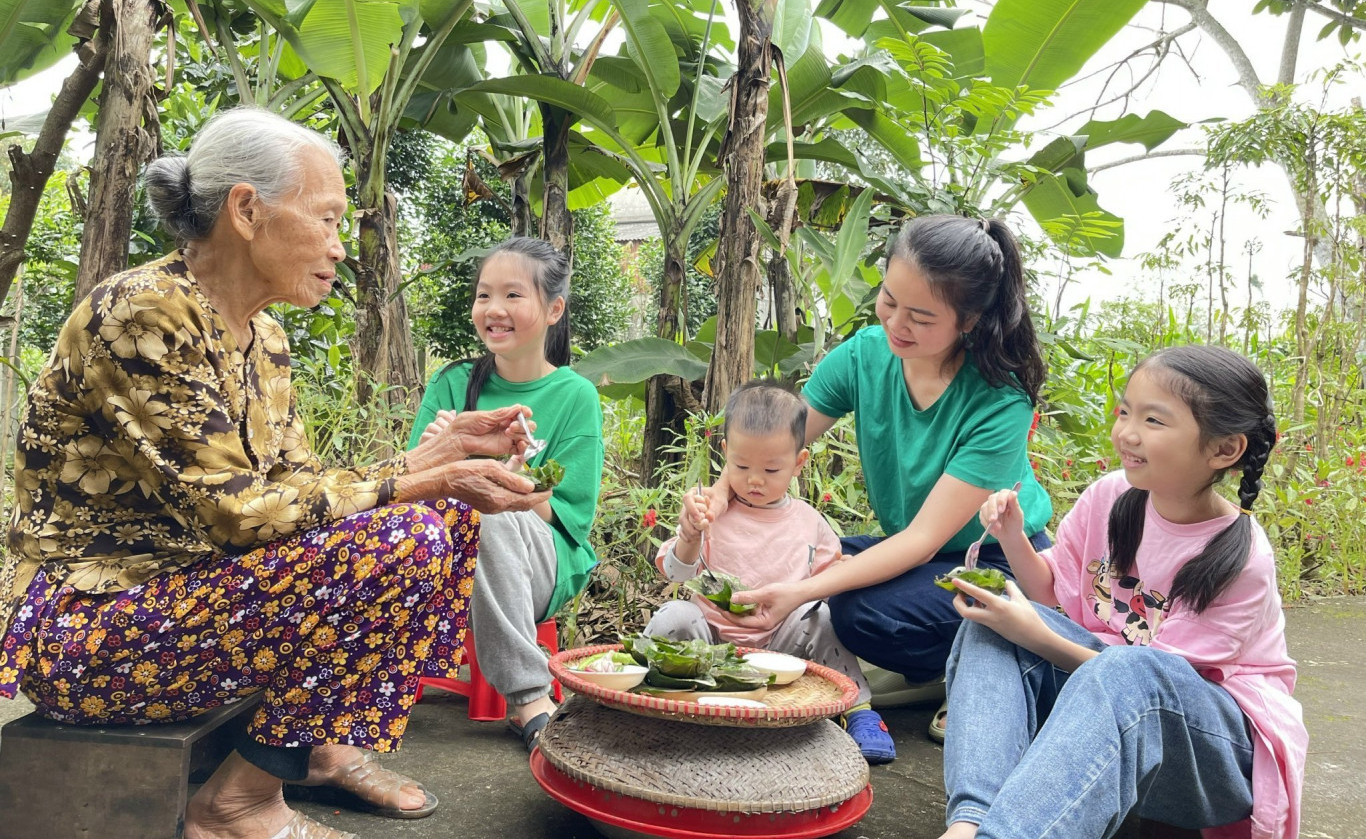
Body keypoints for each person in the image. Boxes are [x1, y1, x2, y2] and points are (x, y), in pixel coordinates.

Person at [0, 108, 549, 839]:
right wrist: (423, 478)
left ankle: (318, 747)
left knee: (441, 521)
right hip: (88, 635)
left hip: (186, 605)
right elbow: (239, 515)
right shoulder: (143, 316)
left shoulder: (264, 335)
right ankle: (238, 804)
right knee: (407, 533)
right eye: (325, 218)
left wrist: (435, 461)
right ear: (247, 210)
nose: (338, 246)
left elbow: (301, 489)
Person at [939, 345, 1306, 839]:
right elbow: (1050, 593)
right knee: (993, 618)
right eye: (1125, 411)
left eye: (1154, 420)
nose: (1126, 433)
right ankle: (971, 823)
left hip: (1210, 752)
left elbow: (1152, 689)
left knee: (1126, 666)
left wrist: (1037, 636)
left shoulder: (1242, 558)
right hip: (1109, 707)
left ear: (1224, 450)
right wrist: (1012, 536)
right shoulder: (1111, 497)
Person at [729, 215, 1051, 741]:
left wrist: (802, 591)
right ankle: (938, 661)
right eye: (889, 299)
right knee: (795, 553)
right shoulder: (864, 354)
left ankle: (993, 664)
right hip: (913, 548)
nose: (896, 323)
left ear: (968, 320)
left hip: (994, 559)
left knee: (859, 612)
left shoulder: (1000, 399)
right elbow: (776, 444)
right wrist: (722, 495)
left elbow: (925, 541)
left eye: (921, 317)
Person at [408, 237, 603, 754]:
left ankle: (528, 699)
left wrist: (513, 483)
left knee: (490, 515)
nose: (493, 310)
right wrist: (437, 456)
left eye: (513, 296)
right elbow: (405, 491)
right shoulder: (451, 384)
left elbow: (569, 518)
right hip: (446, 556)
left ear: (553, 308)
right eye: (483, 295)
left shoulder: (574, 396)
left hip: (540, 556)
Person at [647, 382, 894, 763]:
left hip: (781, 648)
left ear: (798, 463)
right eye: (742, 466)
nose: (755, 480)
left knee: (824, 617)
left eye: (772, 468)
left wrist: (828, 583)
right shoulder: (712, 512)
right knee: (675, 615)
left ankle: (859, 710)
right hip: (709, 644)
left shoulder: (809, 522)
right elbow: (677, 573)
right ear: (725, 453)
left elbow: (831, 578)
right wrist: (690, 536)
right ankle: (642, 691)